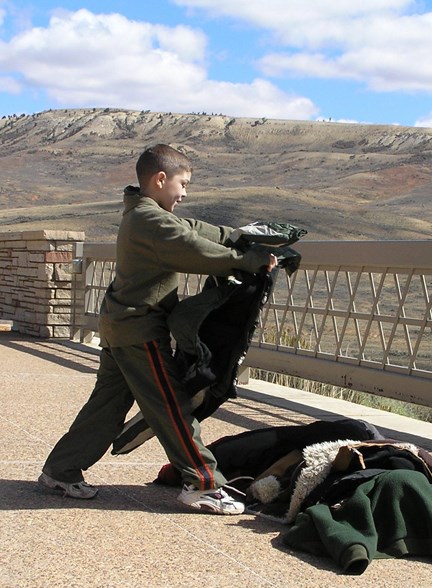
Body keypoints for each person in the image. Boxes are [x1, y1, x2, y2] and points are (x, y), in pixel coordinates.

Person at [39, 143, 277, 515]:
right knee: (171, 406)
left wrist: (235, 236)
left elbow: (195, 229)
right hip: (139, 329)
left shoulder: (144, 212)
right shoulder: (151, 222)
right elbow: (194, 250)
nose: (185, 193)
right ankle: (203, 483)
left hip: (119, 324)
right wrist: (249, 259)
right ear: (160, 178)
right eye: (183, 183)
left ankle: (60, 470)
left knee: (107, 405)